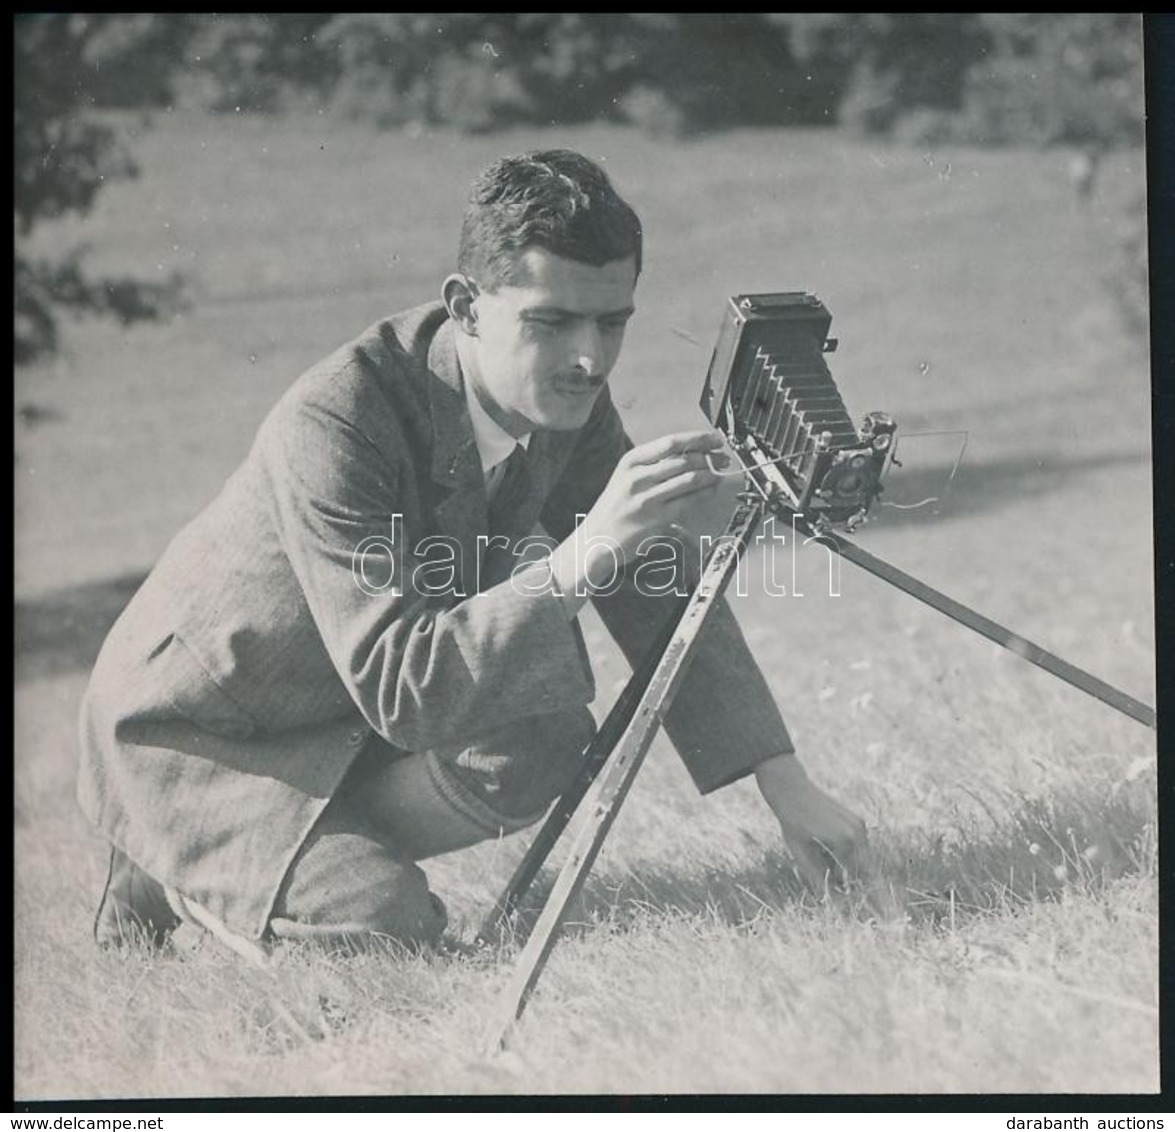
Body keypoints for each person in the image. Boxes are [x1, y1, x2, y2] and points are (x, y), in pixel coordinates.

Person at [79, 148, 867, 954]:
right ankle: (184, 849)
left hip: (334, 716)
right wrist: (580, 554)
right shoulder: (337, 420)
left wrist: (783, 781)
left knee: (540, 736)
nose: (589, 358)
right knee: (385, 928)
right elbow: (401, 685)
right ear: (465, 306)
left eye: (611, 321)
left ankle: (271, 858)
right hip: (197, 734)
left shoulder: (565, 401)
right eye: (550, 322)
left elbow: (654, 587)